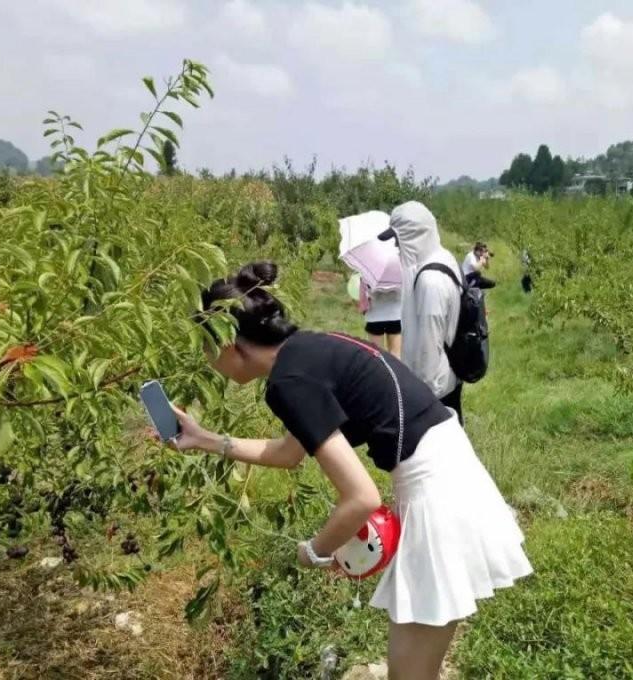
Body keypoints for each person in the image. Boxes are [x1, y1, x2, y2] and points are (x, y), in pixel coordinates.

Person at [169, 261, 532, 680]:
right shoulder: (309, 351)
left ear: (231, 343)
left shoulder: (288, 381)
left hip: (436, 490)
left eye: (206, 347)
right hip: (450, 466)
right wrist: (207, 439)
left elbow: (361, 498)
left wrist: (316, 551)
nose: (207, 360)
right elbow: (289, 453)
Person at [379, 202, 465, 423]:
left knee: (436, 452)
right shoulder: (443, 258)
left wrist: (416, 397)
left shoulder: (430, 282)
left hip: (434, 390)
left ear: (414, 236)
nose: (397, 248)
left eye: (399, 241)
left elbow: (428, 348)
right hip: (444, 381)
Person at [360, 282, 402, 358]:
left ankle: (377, 369)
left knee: (376, 354)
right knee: (395, 354)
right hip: (395, 315)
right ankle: (393, 370)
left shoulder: (370, 272)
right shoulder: (399, 273)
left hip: (374, 316)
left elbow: (364, 294)